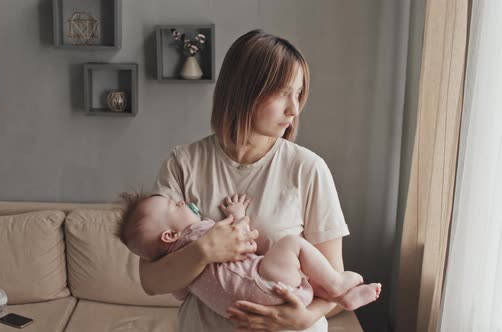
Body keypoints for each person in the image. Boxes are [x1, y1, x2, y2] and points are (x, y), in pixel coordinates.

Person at [140, 29, 355, 331]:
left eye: (298, 94)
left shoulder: (308, 169)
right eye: (283, 93)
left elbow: (335, 282)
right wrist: (204, 250)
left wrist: (303, 317)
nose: (294, 109)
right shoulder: (183, 164)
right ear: (245, 89)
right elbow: (150, 280)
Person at [116, 192, 381, 318]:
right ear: (170, 235)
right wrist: (239, 215)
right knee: (292, 245)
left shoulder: (179, 274)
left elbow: (178, 291)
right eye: (176, 205)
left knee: (301, 273)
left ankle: (345, 298)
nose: (183, 202)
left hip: (254, 306)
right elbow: (245, 240)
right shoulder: (199, 233)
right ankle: (336, 286)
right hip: (265, 282)